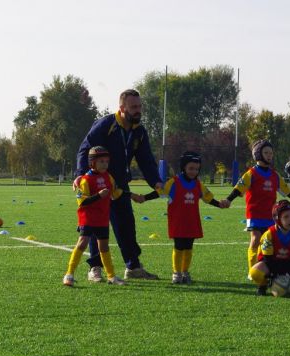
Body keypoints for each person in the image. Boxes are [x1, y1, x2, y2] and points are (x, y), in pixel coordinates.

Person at [74, 89, 162, 281]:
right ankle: (95, 268)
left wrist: (156, 181)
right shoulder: (106, 125)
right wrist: (81, 176)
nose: (138, 110)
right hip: (98, 186)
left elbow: (146, 160)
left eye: (139, 106)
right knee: (97, 226)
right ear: (122, 108)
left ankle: (133, 267)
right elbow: (85, 148)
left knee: (127, 226)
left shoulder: (139, 131)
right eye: (133, 107)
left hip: (120, 186)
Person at [220, 139, 290, 279]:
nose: (269, 155)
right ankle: (253, 271)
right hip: (254, 214)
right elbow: (239, 188)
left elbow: (288, 192)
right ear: (258, 154)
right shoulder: (251, 173)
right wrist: (228, 200)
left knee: (268, 242)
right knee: (255, 239)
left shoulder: (275, 175)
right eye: (266, 152)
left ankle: (268, 270)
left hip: (271, 216)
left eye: (271, 153)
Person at [133, 151, 224, 284]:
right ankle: (177, 273)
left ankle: (185, 271)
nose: (194, 171)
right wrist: (144, 198)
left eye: (197, 169)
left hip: (192, 222)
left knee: (189, 247)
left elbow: (208, 198)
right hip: (178, 222)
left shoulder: (198, 185)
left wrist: (219, 204)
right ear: (183, 168)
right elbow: (159, 192)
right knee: (179, 246)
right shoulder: (174, 182)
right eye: (191, 168)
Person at [63, 146, 126, 286]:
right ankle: (69, 274)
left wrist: (125, 193)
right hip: (88, 218)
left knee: (104, 247)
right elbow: (82, 201)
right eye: (101, 161)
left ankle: (111, 276)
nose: (105, 164)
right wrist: (98, 196)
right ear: (92, 163)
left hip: (102, 218)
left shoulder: (108, 177)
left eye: (106, 161)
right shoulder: (85, 180)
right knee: (83, 243)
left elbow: (114, 194)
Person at [249, 200, 290, 296]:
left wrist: (287, 274)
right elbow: (267, 259)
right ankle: (263, 285)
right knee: (254, 273)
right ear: (277, 218)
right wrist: (276, 276)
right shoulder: (269, 234)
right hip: (270, 264)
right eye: (286, 217)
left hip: (289, 263)